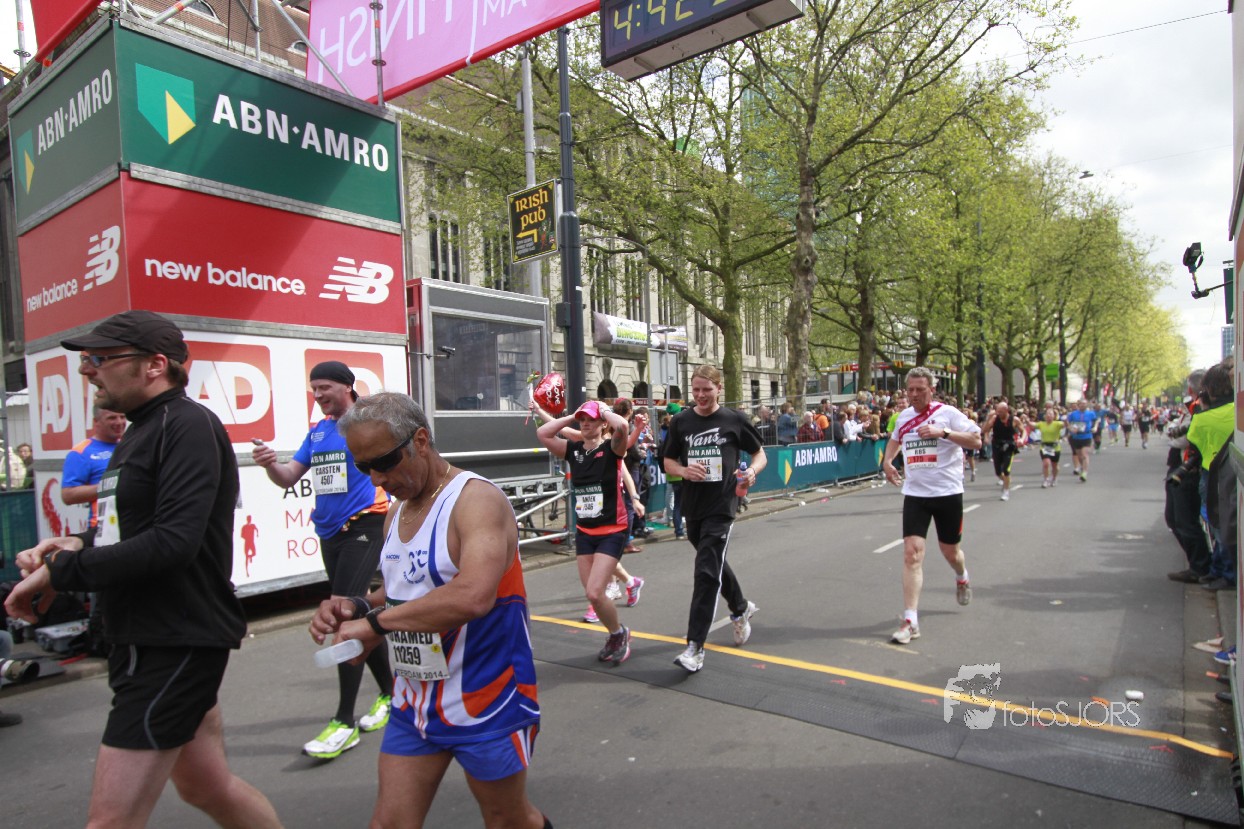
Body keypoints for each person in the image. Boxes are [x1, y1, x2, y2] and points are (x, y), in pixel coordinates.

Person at [4, 310, 281, 829]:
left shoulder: (187, 425)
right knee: (209, 787)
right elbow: (130, 531)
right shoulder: (141, 430)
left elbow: (173, 543)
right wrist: (75, 543)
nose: (87, 369)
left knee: (110, 822)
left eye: (100, 358)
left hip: (172, 641)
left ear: (155, 365)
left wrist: (63, 570)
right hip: (144, 635)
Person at [309, 392, 549, 829]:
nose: (377, 478)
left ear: (420, 440)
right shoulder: (396, 511)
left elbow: (473, 595)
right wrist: (358, 605)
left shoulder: (475, 501)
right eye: (364, 467)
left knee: (508, 820)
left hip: (486, 698)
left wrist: (374, 625)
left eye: (384, 462)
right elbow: (402, 590)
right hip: (415, 700)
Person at [252, 360, 393, 760]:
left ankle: (344, 723)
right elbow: (288, 477)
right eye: (313, 389)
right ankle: (391, 693)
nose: (318, 395)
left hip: (365, 521)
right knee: (357, 612)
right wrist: (269, 463)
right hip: (329, 531)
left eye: (324, 387)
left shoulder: (367, 421)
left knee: (343, 616)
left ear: (347, 386)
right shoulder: (318, 431)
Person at [662, 364, 766, 673]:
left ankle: (695, 647)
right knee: (714, 563)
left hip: (722, 505)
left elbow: (760, 454)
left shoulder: (734, 420)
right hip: (693, 506)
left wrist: (751, 471)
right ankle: (741, 607)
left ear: (719, 388)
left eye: (707, 389)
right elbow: (668, 461)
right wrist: (684, 471)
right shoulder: (681, 421)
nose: (701, 395)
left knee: (706, 573)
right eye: (696, 390)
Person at [880, 367, 981, 645]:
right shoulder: (904, 417)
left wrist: (943, 433)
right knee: (912, 554)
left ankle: (961, 575)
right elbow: (895, 440)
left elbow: (976, 440)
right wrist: (887, 462)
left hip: (948, 493)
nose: (914, 395)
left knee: (951, 552)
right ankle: (910, 620)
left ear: (931, 390)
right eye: (910, 390)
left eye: (920, 390)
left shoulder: (948, 414)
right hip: (916, 494)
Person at [537, 400, 635, 663]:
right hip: (585, 531)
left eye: (591, 420)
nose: (586, 423)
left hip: (612, 530)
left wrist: (602, 410)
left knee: (593, 592)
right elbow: (543, 433)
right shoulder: (574, 450)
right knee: (595, 595)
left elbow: (622, 427)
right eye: (583, 419)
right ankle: (616, 633)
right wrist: (572, 416)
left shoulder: (612, 449)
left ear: (603, 424)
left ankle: (619, 634)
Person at [61, 405, 128, 524]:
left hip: (133, 524)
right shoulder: (81, 452)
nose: (119, 422)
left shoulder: (129, 444)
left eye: (122, 417)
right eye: (112, 418)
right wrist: (110, 486)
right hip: (104, 527)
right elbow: (68, 495)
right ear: (96, 421)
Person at [981, 401, 1020, 501]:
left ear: (1006, 410)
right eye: (997, 411)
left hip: (1009, 446)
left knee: (1006, 469)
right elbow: (984, 430)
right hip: (997, 445)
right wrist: (988, 419)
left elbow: (1023, 430)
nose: (998, 413)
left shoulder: (1014, 419)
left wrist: (1022, 439)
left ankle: (1006, 491)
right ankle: (1006, 481)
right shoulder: (994, 419)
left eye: (1001, 412)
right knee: (998, 471)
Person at [1064, 399, 1099, 482]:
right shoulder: (1073, 414)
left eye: (1084, 404)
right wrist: (1070, 428)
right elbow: (1066, 422)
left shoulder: (1090, 413)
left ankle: (1085, 472)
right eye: (1081, 404)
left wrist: (1095, 427)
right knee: (1079, 455)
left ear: (1087, 405)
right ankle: (1083, 467)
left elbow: (1096, 420)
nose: (1083, 405)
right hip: (1076, 437)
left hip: (1087, 435)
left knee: (1084, 454)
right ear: (1078, 405)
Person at [1031, 406, 1065, 487]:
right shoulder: (1041, 424)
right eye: (1047, 414)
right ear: (1045, 416)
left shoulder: (1057, 424)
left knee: (1054, 465)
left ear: (1054, 416)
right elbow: (1033, 425)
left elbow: (1064, 425)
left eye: (1051, 414)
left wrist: (1066, 420)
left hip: (1055, 447)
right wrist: (1027, 420)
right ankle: (1046, 479)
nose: (1049, 415)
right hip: (1045, 447)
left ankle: (1054, 478)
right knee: (1046, 463)